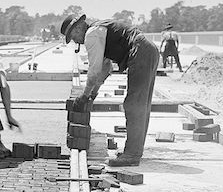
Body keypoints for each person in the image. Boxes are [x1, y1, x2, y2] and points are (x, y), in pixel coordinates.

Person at [61, 13, 159, 167]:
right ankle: (134, 151)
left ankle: (132, 154)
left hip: (140, 52)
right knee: (141, 104)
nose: (74, 41)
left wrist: (85, 95)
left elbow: (94, 71)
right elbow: (105, 68)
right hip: (147, 49)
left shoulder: (91, 34)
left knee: (134, 105)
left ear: (79, 27)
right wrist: (93, 94)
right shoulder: (99, 30)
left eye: (72, 36)